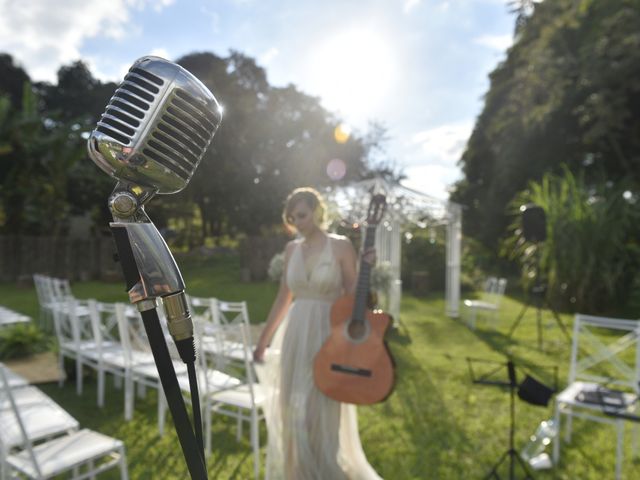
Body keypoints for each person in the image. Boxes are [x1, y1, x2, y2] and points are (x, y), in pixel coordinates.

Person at [253, 187, 383, 480]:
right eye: (292, 217)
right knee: (293, 406)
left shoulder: (340, 246)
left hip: (328, 333)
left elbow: (353, 293)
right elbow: (283, 297)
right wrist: (264, 341)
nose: (297, 221)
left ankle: (324, 471)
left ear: (317, 212)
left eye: (302, 214)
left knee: (321, 407)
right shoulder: (291, 250)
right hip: (296, 334)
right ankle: (298, 472)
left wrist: (367, 269)